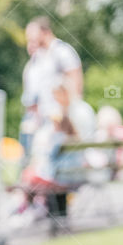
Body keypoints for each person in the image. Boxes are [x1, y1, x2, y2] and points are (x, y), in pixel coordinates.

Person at [20, 16, 83, 165]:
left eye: (32, 33)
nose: (29, 38)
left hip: (59, 117)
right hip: (40, 116)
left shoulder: (62, 52)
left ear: (45, 32)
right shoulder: (38, 58)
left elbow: (75, 82)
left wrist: (68, 114)